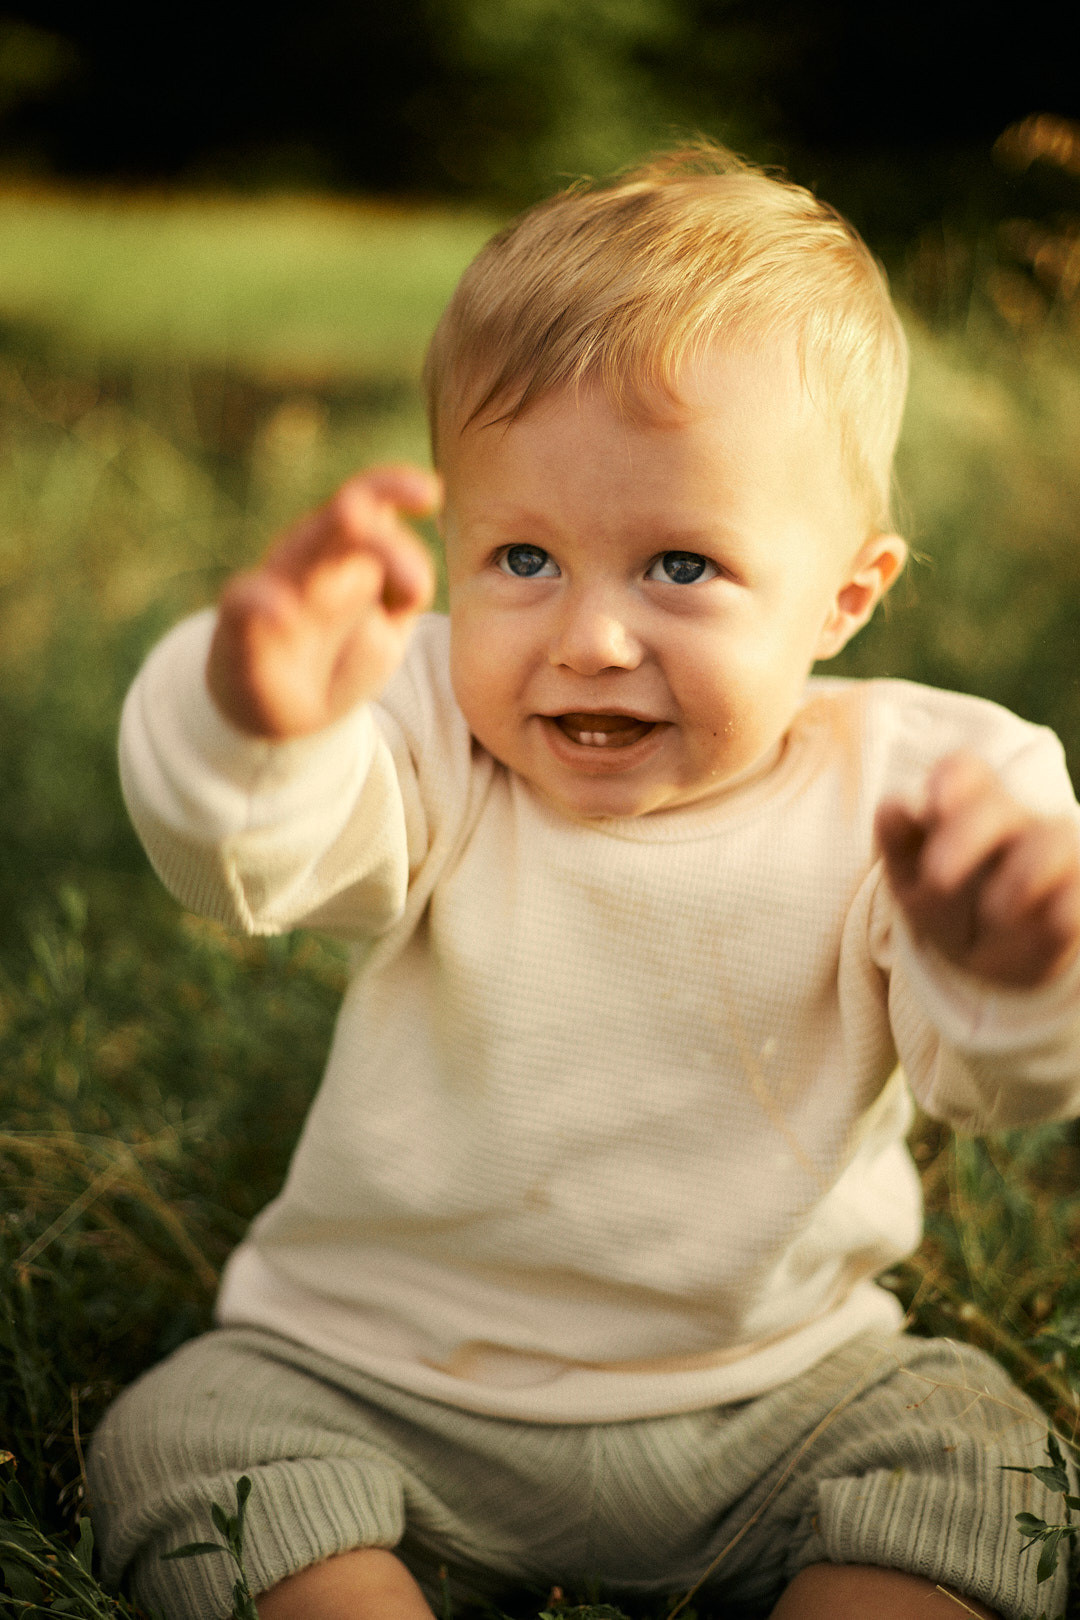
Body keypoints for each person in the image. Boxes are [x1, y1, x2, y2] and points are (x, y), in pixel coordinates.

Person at [87, 145, 1080, 1620]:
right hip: (379, 1373)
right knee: (191, 1438)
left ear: (846, 596)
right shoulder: (435, 731)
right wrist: (254, 719)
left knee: (986, 1463)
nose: (592, 638)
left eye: (680, 565)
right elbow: (257, 857)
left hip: (780, 1389)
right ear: (449, 552)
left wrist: (1018, 970)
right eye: (523, 557)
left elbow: (990, 1084)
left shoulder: (932, 790)